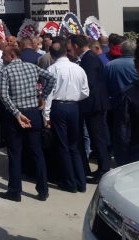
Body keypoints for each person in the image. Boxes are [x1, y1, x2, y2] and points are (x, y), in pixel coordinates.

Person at [0, 46, 56, 202]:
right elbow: (51, 78)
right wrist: (42, 97)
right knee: (36, 152)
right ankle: (43, 190)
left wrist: (16, 113)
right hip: (32, 113)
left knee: (15, 153)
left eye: (4, 54)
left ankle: (15, 191)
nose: (2, 57)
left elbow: (3, 95)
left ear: (11, 56)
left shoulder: (5, 71)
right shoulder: (32, 67)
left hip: (15, 115)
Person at [44, 39, 89, 193]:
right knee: (74, 146)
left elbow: (48, 94)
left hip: (59, 107)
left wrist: (46, 115)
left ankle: (70, 182)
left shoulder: (51, 69)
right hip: (74, 107)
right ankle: (80, 182)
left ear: (52, 54)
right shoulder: (78, 68)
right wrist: (74, 97)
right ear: (65, 51)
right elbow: (85, 92)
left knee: (63, 146)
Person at [69, 35, 111, 183]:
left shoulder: (89, 59)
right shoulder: (89, 57)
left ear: (75, 46)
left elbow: (90, 83)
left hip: (94, 104)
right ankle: (102, 167)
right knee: (96, 137)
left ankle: (104, 169)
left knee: (98, 137)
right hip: (93, 103)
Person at [104, 40, 137, 106]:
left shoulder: (109, 65)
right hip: (136, 101)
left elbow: (105, 85)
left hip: (116, 103)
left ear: (121, 50)